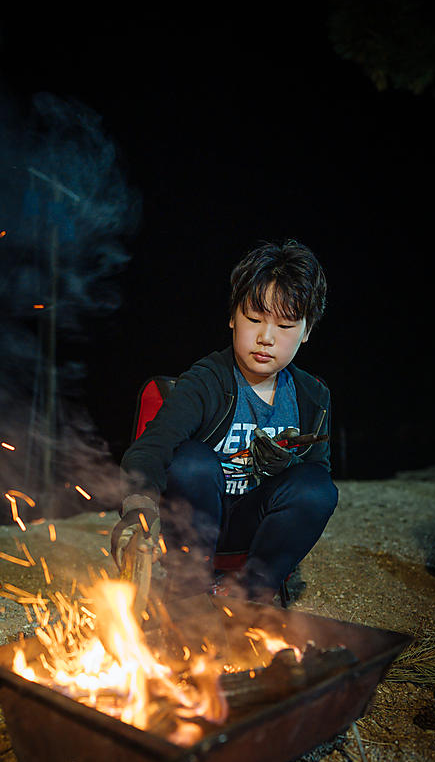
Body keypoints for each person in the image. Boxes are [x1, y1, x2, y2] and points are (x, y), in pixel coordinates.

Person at [112, 239, 339, 603]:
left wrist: (288, 465)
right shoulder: (206, 381)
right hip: (195, 524)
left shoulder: (312, 395)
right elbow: (152, 447)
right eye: (254, 319)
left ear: (307, 331)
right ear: (233, 317)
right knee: (190, 461)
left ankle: (250, 596)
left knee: (317, 487)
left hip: (256, 527)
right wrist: (138, 508)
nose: (266, 338)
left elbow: (315, 476)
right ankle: (189, 591)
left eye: (285, 325)